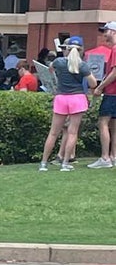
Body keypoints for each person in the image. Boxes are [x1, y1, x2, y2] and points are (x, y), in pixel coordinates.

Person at [40, 37, 96, 172]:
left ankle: (43, 163)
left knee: (53, 132)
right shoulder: (82, 65)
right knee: (72, 133)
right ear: (81, 50)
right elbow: (93, 83)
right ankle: (65, 163)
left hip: (61, 97)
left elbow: (50, 69)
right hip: (77, 98)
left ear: (67, 49)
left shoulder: (59, 62)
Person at [92, 22, 116, 169]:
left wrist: (100, 87)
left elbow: (114, 73)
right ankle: (113, 156)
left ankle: (105, 157)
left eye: (105, 31)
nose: (103, 34)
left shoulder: (115, 49)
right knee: (114, 126)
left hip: (112, 93)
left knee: (103, 122)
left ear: (113, 32)